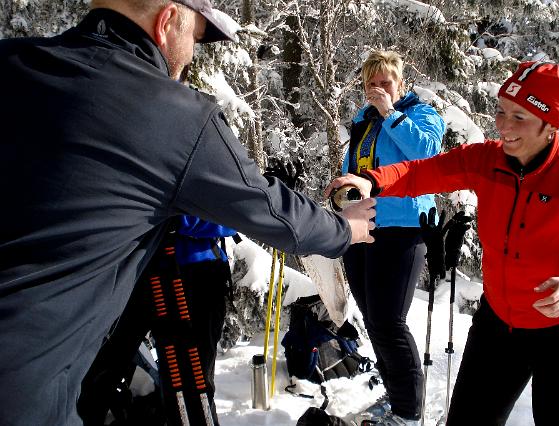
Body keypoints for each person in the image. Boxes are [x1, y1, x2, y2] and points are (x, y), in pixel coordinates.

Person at [0, 1, 376, 425]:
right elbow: (273, 211)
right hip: (27, 391)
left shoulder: (13, 63)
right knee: (183, 388)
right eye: (195, 37)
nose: (194, 53)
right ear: (167, 22)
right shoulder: (172, 113)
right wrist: (345, 227)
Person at [326, 61, 559, 425]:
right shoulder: (487, 160)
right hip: (500, 321)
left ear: (551, 126)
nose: (503, 126)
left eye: (520, 117)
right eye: (501, 112)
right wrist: (372, 181)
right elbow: (424, 171)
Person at [339, 50, 446, 425]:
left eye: (385, 82)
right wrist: (341, 192)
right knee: (373, 320)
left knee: (389, 322)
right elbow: (356, 165)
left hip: (402, 227)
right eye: (371, 84)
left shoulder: (420, 114)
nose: (378, 90)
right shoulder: (362, 119)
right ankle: (395, 394)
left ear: (400, 84)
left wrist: (390, 114)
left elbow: (429, 154)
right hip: (361, 226)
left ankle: (408, 412)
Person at [78, 216, 238, 426]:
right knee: (99, 369)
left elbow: (231, 216)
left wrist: (173, 219)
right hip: (132, 269)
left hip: (193, 277)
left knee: (191, 385)